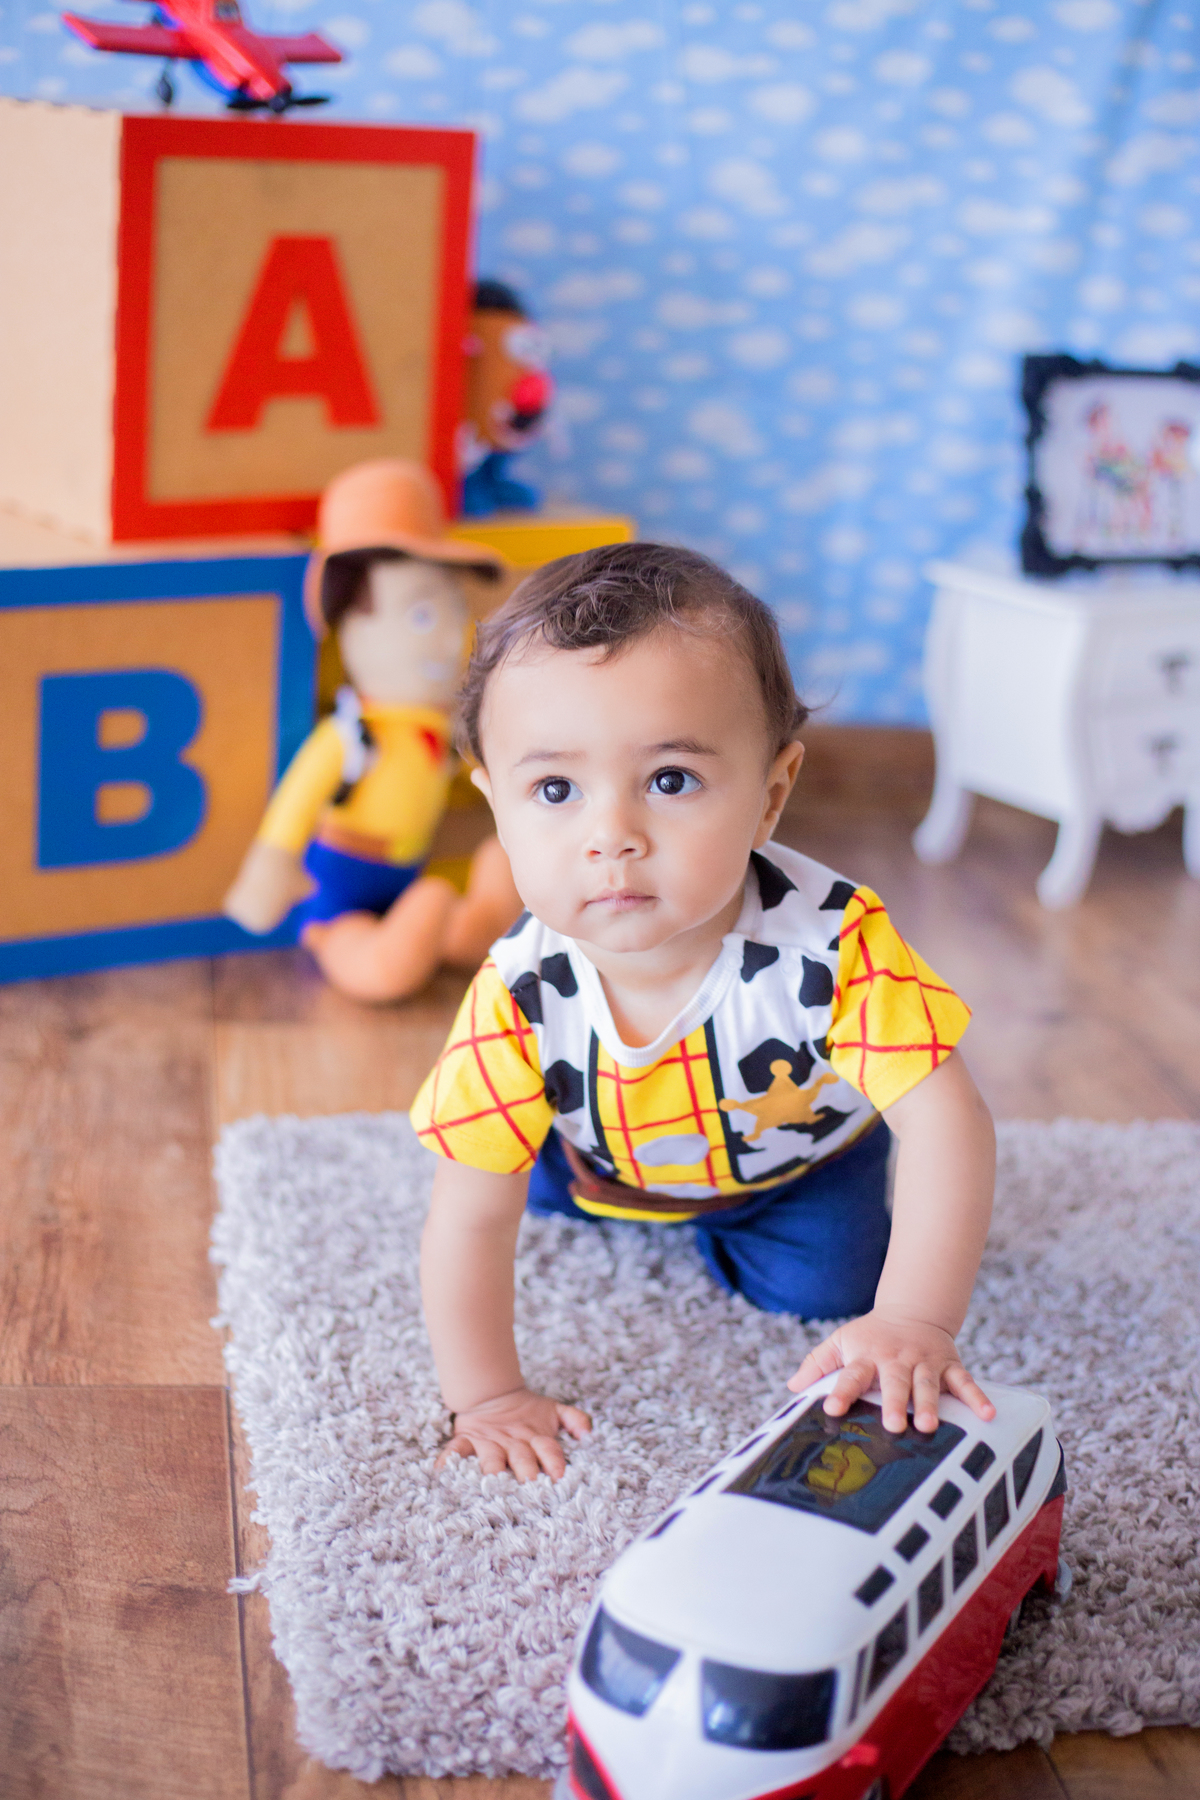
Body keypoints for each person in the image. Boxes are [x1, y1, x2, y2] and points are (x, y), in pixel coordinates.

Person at [411, 542, 997, 1481]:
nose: (613, 838)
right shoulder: (518, 993)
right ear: (495, 803)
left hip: (795, 1168)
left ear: (770, 797)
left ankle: (739, 1231)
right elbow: (470, 1217)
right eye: (555, 790)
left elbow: (949, 1122)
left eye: (671, 780)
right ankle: (600, 1189)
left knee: (831, 1289)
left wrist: (912, 1321)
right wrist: (485, 1396)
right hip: (597, 1150)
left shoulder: (833, 946)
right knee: (499, 1170)